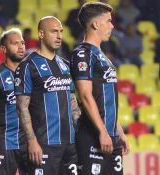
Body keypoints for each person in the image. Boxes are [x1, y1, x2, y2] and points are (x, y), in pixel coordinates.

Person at [14, 16, 80, 174]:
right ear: (41, 34)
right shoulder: (27, 66)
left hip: (70, 145)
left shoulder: (65, 65)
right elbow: (22, 108)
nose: (59, 36)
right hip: (43, 144)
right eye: (54, 31)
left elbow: (73, 104)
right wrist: (32, 141)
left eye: (61, 32)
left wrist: (80, 135)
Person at [70, 2, 129, 175]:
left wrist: (119, 132)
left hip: (111, 137)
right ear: (95, 24)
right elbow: (85, 96)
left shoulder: (103, 57)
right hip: (93, 137)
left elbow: (109, 99)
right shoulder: (82, 54)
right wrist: (102, 132)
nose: (112, 25)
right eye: (109, 21)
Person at [0, 28, 28, 175]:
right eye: (15, 43)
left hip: (30, 141)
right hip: (6, 142)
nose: (21, 47)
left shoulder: (31, 72)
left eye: (22, 43)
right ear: (4, 48)